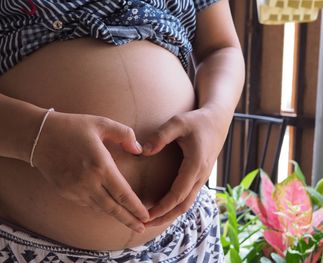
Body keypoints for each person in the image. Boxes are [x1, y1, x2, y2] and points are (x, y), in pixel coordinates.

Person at [0, 0, 244, 261]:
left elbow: (221, 47)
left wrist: (215, 116)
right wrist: (38, 138)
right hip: (23, 242)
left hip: (184, 241)